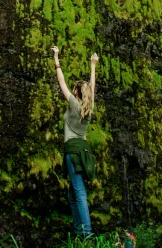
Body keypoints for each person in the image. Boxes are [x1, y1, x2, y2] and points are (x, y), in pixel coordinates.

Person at [52, 45, 99, 241]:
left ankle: (86, 235)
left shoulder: (74, 104)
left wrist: (56, 58)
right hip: (84, 152)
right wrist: (93, 65)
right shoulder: (89, 106)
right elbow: (92, 87)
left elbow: (60, 81)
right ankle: (79, 232)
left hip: (73, 151)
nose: (71, 90)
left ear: (77, 93)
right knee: (73, 195)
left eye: (74, 90)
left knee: (79, 195)